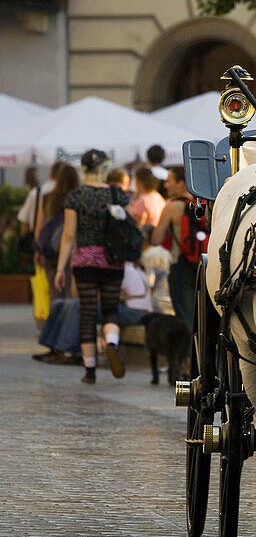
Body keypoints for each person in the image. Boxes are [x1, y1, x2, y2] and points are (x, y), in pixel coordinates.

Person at [54, 148, 132, 384]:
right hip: (112, 260)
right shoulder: (117, 194)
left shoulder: (76, 196)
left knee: (87, 313)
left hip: (84, 261)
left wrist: (60, 268)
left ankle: (89, 371)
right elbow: (124, 228)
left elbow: (68, 235)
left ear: (85, 169)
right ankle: (111, 343)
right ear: (104, 169)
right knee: (110, 309)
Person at [152, 165, 201, 327]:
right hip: (203, 264)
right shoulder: (201, 205)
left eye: (169, 181)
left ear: (181, 183)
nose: (165, 185)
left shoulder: (172, 207)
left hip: (181, 265)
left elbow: (156, 239)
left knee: (184, 314)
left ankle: (187, 351)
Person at [34, 162, 79, 299]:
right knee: (71, 293)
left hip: (49, 250)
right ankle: (70, 319)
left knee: (55, 292)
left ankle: (57, 318)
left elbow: (39, 226)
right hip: (71, 249)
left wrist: (38, 250)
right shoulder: (78, 199)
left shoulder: (47, 197)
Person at [139, 224, 173, 314]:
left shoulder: (148, 255)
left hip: (158, 300)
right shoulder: (165, 252)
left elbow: (150, 282)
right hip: (170, 298)